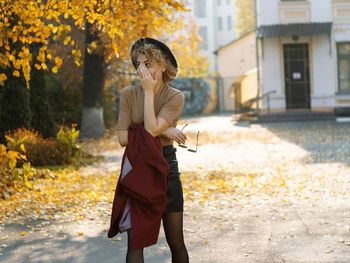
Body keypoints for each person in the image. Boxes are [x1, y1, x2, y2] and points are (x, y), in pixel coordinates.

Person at [109, 37, 189, 263]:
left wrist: (150, 94)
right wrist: (167, 132)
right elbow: (123, 138)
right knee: (136, 243)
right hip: (138, 168)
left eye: (148, 64)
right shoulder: (128, 94)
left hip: (165, 167)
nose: (141, 70)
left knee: (176, 242)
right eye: (138, 65)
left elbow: (151, 130)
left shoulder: (175, 96)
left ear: (163, 65)